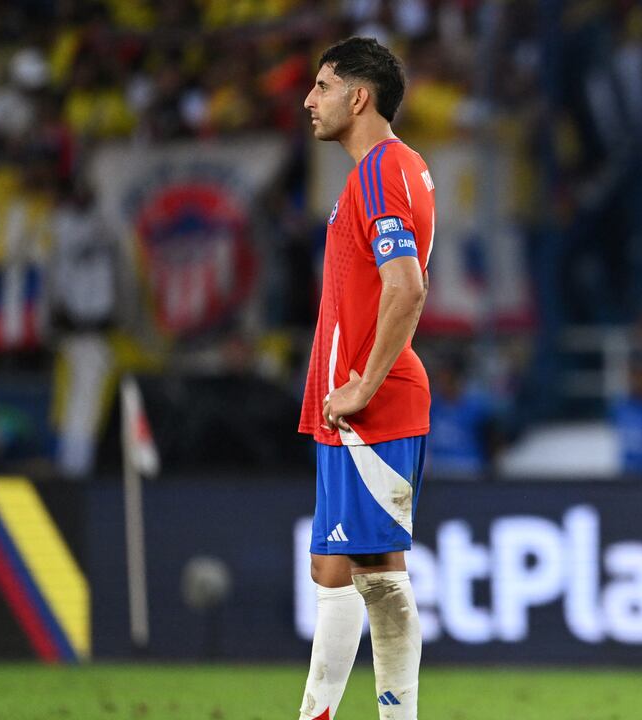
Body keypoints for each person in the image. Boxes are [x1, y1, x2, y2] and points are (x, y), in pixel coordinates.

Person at [296, 37, 435, 720]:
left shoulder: (382, 169)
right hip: (347, 404)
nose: (308, 100)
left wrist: (362, 385)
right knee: (332, 570)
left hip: (369, 404)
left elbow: (406, 287)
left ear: (360, 97)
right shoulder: (380, 173)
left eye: (322, 86)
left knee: (376, 575)